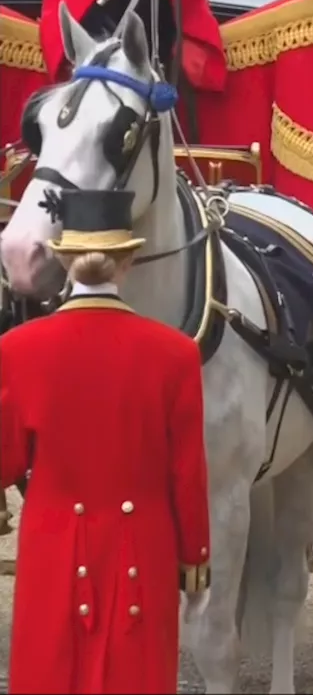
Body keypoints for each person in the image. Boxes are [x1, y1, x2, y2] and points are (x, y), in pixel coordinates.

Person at [0, 189, 211, 693]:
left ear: (63, 259)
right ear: (129, 260)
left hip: (51, 544)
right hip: (143, 545)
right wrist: (195, 555)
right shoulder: (176, 355)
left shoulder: (16, 349)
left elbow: (4, 462)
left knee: (51, 671)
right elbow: (188, 472)